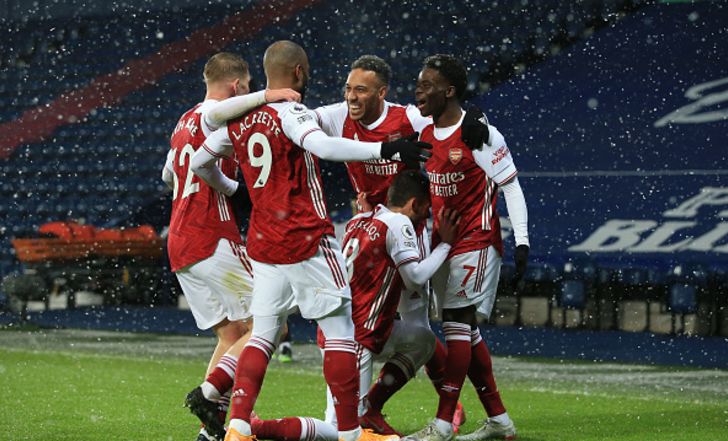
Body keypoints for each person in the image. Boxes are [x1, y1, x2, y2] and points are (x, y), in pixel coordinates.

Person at [189, 40, 431, 441]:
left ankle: (238, 428)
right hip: (304, 237)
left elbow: (200, 162)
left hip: (264, 241)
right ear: (299, 72)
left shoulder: (242, 117)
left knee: (262, 335)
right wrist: (385, 148)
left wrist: (236, 191)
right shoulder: (292, 112)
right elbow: (323, 146)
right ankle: (351, 433)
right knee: (341, 333)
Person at [314, 55, 476, 434]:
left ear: (382, 93)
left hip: (405, 231)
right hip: (367, 232)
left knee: (417, 325)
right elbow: (297, 121)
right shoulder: (337, 116)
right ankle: (360, 404)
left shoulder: (408, 119)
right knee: (369, 319)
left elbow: (448, 121)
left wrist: (475, 122)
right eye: (348, 89)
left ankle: (434, 406)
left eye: (361, 90)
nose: (352, 97)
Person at [161, 51, 300, 441]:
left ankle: (210, 429)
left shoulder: (183, 121)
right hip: (211, 235)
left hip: (180, 240)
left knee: (231, 334)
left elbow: (168, 174)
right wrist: (269, 95)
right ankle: (212, 397)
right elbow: (218, 112)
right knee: (271, 322)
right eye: (249, 86)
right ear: (237, 86)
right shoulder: (212, 115)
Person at [406, 54, 530, 441]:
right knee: (464, 331)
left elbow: (511, 186)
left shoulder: (482, 135)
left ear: (449, 91)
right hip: (443, 243)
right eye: (418, 84)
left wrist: (522, 241)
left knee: (457, 324)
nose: (418, 91)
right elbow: (393, 115)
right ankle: (500, 420)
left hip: (477, 240)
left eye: (427, 85)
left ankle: (443, 423)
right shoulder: (424, 129)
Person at [322, 170, 461, 436]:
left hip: (338, 330)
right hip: (358, 336)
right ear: (414, 204)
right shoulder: (399, 223)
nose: (427, 215)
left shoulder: (358, 219)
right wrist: (445, 245)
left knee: (422, 339)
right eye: (426, 208)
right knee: (343, 429)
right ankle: (262, 427)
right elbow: (414, 279)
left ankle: (371, 406)